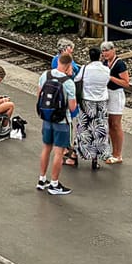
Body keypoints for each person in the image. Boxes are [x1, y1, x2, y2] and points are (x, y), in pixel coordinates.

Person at [34, 41, 79, 196]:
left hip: (47, 118)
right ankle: (54, 184)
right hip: (62, 121)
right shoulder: (68, 83)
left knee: (46, 148)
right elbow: (72, 108)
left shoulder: (44, 75)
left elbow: (39, 95)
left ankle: (41, 179)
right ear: (68, 66)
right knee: (59, 152)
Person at [75, 44, 112, 170]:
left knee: (85, 128)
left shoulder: (85, 68)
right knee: (100, 130)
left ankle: (83, 153)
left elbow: (77, 79)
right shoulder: (106, 70)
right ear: (100, 56)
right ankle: (97, 158)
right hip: (101, 102)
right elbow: (106, 82)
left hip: (87, 101)